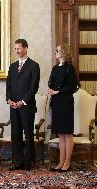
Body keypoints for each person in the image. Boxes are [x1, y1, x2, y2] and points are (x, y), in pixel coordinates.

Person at [6, 39, 40, 171]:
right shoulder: (12, 66)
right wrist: (9, 99)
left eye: (19, 48)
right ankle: (17, 162)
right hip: (13, 106)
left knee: (28, 134)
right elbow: (8, 85)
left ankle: (28, 162)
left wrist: (23, 102)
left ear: (26, 48)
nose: (17, 51)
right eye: (15, 49)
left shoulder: (33, 65)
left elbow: (33, 88)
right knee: (16, 134)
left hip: (27, 106)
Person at [48, 43, 79, 172]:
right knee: (60, 133)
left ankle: (67, 162)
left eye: (57, 50)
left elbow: (74, 86)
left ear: (64, 52)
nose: (55, 52)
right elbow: (51, 81)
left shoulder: (69, 68)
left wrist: (58, 92)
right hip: (56, 102)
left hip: (65, 102)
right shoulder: (55, 68)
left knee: (67, 133)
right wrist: (50, 89)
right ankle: (61, 162)